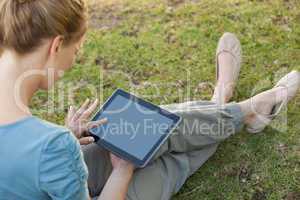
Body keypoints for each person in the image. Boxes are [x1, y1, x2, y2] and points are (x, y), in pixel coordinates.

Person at [0, 0, 299, 200]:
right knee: (168, 163)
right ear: (55, 46)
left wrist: (64, 138)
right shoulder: (53, 146)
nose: (72, 64)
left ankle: (231, 104)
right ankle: (238, 107)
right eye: (75, 52)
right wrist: (123, 170)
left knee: (152, 126)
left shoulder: (51, 144)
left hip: (48, 179)